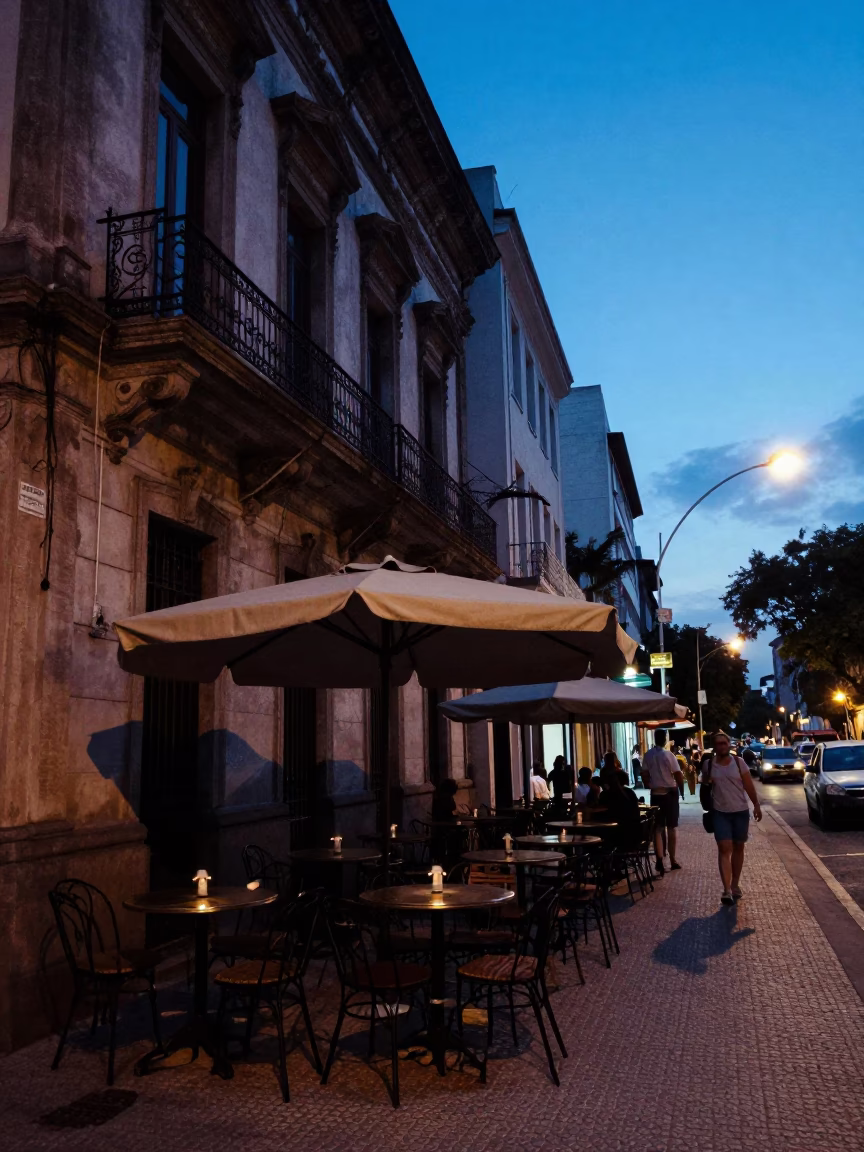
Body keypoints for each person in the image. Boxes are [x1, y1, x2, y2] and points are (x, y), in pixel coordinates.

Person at [701, 730, 762, 904]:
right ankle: (726, 890)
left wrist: (756, 805)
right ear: (714, 746)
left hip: (740, 811)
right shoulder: (709, 765)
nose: (721, 746)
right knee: (724, 848)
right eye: (718, 743)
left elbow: (749, 785)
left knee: (738, 847)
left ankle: (735, 884)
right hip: (720, 812)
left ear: (729, 745)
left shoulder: (739, 762)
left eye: (724, 743)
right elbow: (705, 788)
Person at [641, 728, 684, 874]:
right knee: (671, 827)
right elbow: (678, 774)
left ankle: (660, 858)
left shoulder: (648, 755)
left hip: (655, 794)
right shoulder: (668, 755)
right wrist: (682, 792)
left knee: (658, 828)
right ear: (665, 739)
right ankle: (672, 860)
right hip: (670, 793)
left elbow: (644, 774)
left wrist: (649, 784)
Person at [598, 764, 641, 845]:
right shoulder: (630, 793)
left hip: (615, 837)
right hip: (633, 836)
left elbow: (600, 812)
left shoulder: (607, 795)